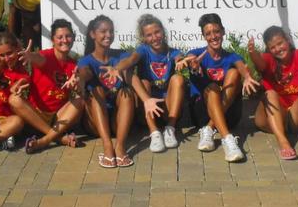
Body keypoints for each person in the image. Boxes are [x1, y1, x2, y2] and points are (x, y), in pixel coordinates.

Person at [184, 13, 261, 162]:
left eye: (216, 31)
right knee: (212, 87)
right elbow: (189, 59)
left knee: (234, 72)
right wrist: (191, 64)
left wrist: (246, 76)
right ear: (203, 36)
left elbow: (240, 65)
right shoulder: (197, 54)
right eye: (208, 33)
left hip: (229, 114)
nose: (213, 36)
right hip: (202, 114)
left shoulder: (232, 56)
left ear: (223, 31)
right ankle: (227, 139)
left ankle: (209, 129)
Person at [109, 14, 187, 153]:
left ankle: (170, 128)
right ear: (144, 38)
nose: (154, 37)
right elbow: (131, 60)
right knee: (144, 82)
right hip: (147, 110)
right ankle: (154, 133)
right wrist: (117, 68)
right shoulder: (143, 50)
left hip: (168, 109)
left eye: (157, 32)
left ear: (163, 32)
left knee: (178, 79)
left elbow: (179, 58)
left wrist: (181, 60)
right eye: (149, 35)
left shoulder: (172, 52)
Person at [249, 27, 298, 161]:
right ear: (268, 49)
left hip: (295, 117)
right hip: (270, 119)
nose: (278, 49)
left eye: (280, 43)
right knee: (270, 93)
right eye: (273, 47)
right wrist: (252, 53)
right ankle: (283, 143)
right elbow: (259, 62)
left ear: (287, 41)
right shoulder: (268, 60)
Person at [12, 19, 86, 153]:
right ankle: (58, 138)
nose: (65, 40)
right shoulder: (46, 56)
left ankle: (44, 140)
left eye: (68, 36)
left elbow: (80, 90)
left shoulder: (74, 64)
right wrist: (30, 56)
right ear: (53, 40)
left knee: (79, 101)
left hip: (58, 118)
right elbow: (37, 58)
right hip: (36, 115)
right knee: (14, 99)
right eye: (60, 37)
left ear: (74, 38)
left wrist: (77, 86)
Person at [75, 16, 135, 168]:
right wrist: (80, 78)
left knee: (126, 93)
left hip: (117, 123)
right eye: (103, 31)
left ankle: (120, 147)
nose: (108, 35)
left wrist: (118, 68)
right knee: (97, 89)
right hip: (94, 124)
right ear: (92, 34)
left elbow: (127, 62)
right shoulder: (86, 61)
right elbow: (85, 72)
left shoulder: (121, 55)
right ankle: (108, 147)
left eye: (111, 31)